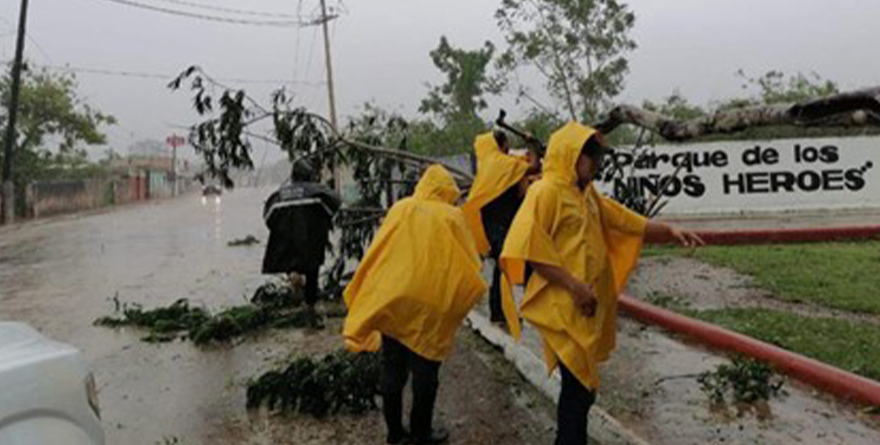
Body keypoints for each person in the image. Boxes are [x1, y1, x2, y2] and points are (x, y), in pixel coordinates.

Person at [500, 122, 704, 445]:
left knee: (583, 388)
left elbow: (624, 219)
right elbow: (530, 248)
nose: (596, 164)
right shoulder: (546, 191)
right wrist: (575, 286)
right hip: (563, 304)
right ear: (571, 156)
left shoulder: (587, 194)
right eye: (590, 157)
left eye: (597, 157)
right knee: (578, 389)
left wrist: (668, 231)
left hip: (586, 306)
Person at [343, 165, 487, 445]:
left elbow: (378, 250)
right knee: (425, 372)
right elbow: (470, 263)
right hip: (430, 305)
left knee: (392, 369)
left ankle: (395, 434)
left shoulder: (401, 208)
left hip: (394, 299)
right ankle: (421, 432)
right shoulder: (452, 215)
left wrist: (367, 290)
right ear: (447, 191)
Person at [462, 130, 539, 324]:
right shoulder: (504, 164)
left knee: (506, 264)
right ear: (501, 145)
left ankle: (504, 310)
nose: (509, 149)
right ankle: (504, 311)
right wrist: (532, 145)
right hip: (504, 222)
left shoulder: (489, 165)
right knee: (512, 264)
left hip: (492, 223)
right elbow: (534, 167)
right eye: (507, 145)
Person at [261, 157, 341, 307]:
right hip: (311, 242)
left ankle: (293, 276)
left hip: (285, 246)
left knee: (291, 263)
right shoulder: (317, 191)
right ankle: (311, 308)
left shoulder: (278, 196)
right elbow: (335, 203)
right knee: (312, 273)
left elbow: (268, 218)